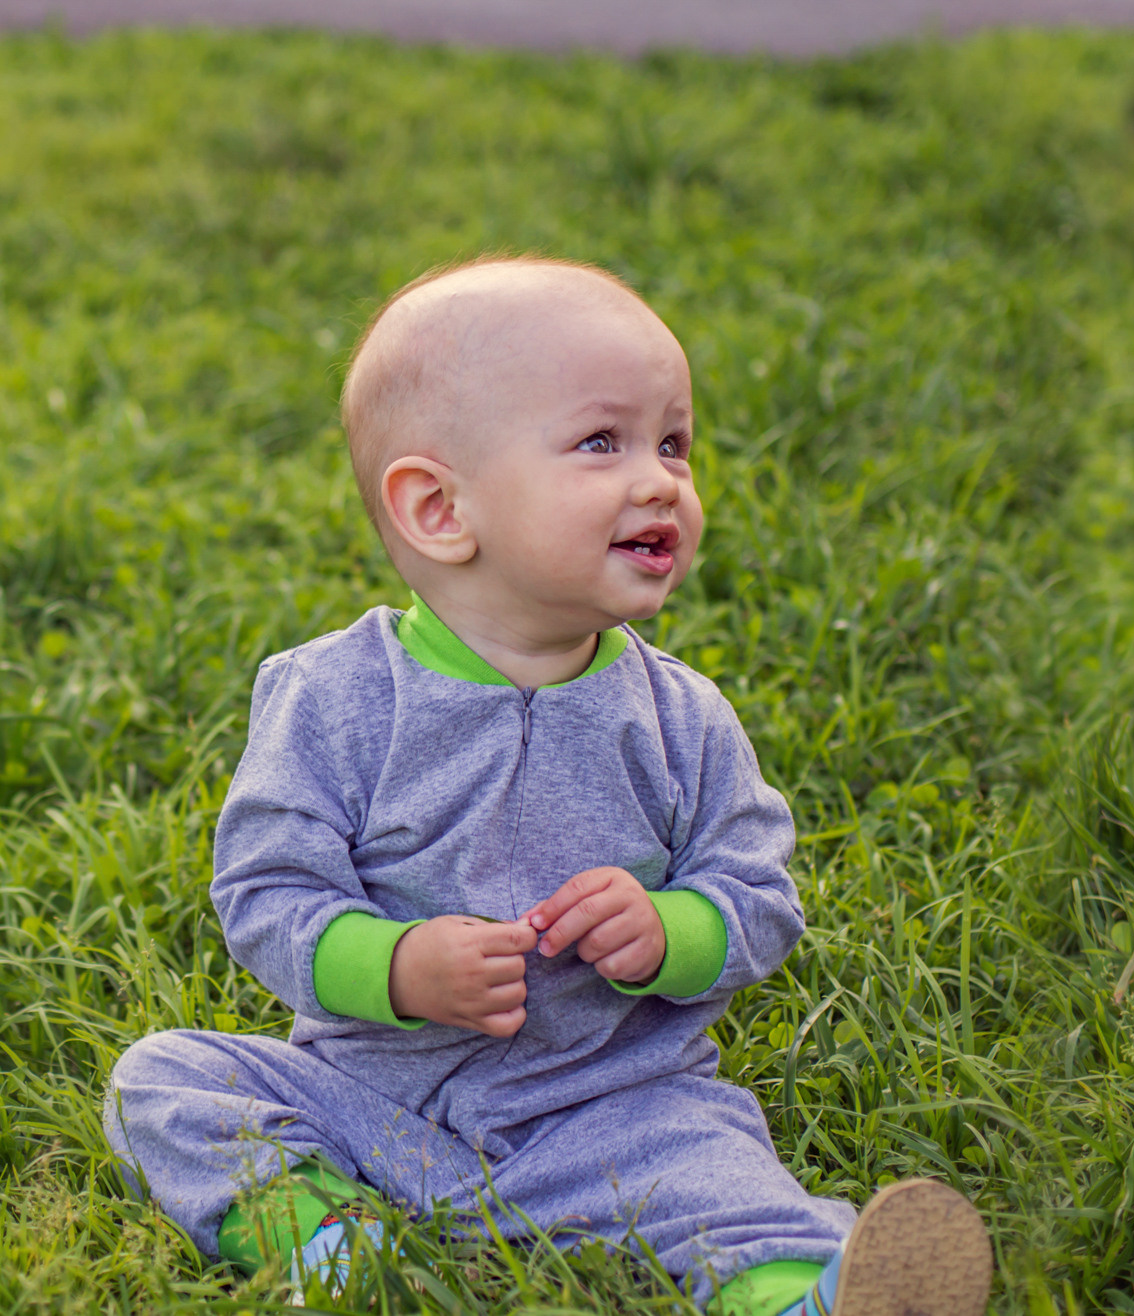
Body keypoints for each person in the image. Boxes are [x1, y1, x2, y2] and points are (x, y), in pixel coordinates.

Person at [101, 255, 993, 1316]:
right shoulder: (334, 701)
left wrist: (670, 927)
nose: (661, 478)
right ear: (440, 508)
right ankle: (329, 1246)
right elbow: (265, 893)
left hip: (612, 1105)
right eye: (601, 442)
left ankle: (808, 1294)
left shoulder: (680, 719)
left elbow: (759, 895)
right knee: (167, 1081)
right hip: (375, 1099)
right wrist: (397, 965)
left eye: (675, 443)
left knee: (724, 1175)